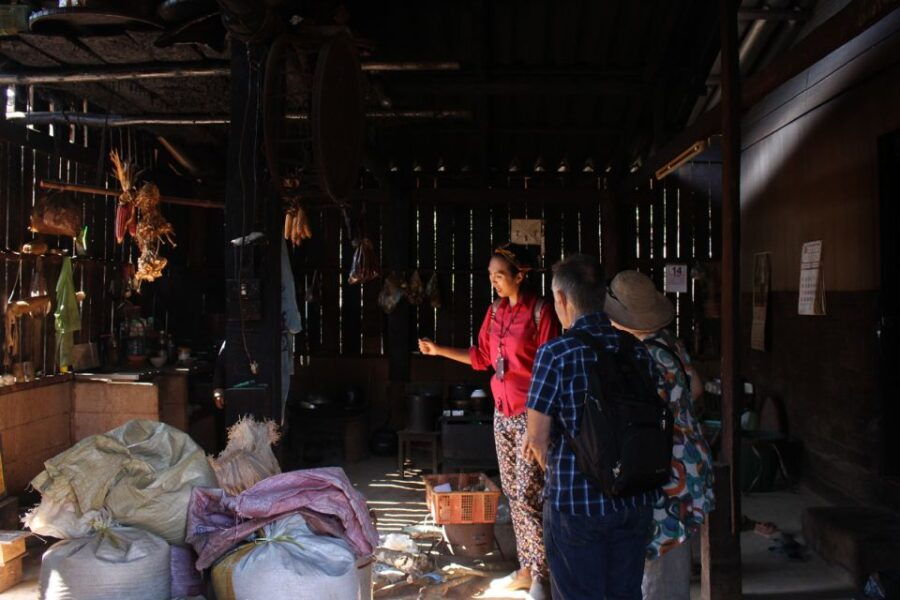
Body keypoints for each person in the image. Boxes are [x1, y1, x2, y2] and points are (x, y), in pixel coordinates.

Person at [419, 243, 560, 599]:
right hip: (502, 414)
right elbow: (481, 357)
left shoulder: (541, 313)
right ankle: (527, 569)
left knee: (530, 496)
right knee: (513, 494)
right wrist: (438, 350)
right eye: (490, 276)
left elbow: (550, 369)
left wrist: (538, 426)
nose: (494, 282)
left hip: (533, 418)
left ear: (520, 275)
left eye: (500, 275)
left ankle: (542, 574)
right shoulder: (495, 313)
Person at [524, 254, 665, 600]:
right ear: (603, 297)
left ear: (561, 299)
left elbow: (537, 439)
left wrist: (563, 477)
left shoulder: (556, 353)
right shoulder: (636, 350)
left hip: (576, 505)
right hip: (634, 499)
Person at [603, 270, 714, 600]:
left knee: (660, 560)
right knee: (672, 552)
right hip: (689, 461)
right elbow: (694, 388)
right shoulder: (669, 342)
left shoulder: (642, 356)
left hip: (665, 472)